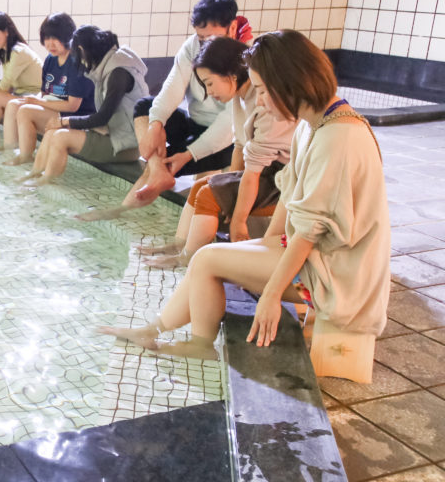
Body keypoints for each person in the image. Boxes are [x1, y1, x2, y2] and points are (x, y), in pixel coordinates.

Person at [101, 30, 390, 367]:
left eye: (264, 90)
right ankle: (153, 330)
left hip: (336, 275)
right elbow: (290, 193)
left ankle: (199, 345)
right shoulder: (313, 124)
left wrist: (270, 295)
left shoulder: (338, 138)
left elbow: (311, 229)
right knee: (209, 257)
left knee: (207, 259)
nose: (260, 101)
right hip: (316, 256)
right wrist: (264, 247)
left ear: (291, 81)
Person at [77, 0, 245, 221]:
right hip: (195, 123)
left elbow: (228, 126)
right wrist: (156, 125)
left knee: (168, 164)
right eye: (201, 38)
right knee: (145, 106)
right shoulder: (192, 46)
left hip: (226, 142)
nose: (204, 44)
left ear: (232, 28)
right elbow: (171, 89)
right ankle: (156, 171)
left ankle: (122, 211)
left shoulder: (244, 63)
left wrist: (187, 155)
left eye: (211, 38)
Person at [142, 36, 296, 267]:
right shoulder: (240, 98)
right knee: (200, 186)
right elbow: (240, 147)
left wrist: (238, 218)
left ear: (231, 75)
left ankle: (187, 259)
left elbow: (253, 171)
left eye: (210, 83)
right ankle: (179, 246)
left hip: (282, 177)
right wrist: (228, 183)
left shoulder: (264, 102)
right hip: (262, 170)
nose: (208, 91)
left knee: (209, 195)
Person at [18, 25, 148, 186]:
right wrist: (63, 123)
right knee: (52, 131)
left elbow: (102, 117)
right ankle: (35, 173)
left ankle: (46, 182)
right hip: (112, 134)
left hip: (125, 145)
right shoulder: (108, 65)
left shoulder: (118, 73)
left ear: (82, 49)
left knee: (60, 137)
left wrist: (65, 121)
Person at [0, 12, 96, 165]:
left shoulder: (77, 62)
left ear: (68, 37)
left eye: (55, 38)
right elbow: (45, 92)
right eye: (47, 38)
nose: (50, 44)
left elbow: (72, 106)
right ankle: (10, 150)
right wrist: (35, 99)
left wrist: (37, 102)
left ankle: (26, 156)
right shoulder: (51, 60)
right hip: (53, 107)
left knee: (25, 111)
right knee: (13, 104)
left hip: (74, 117)